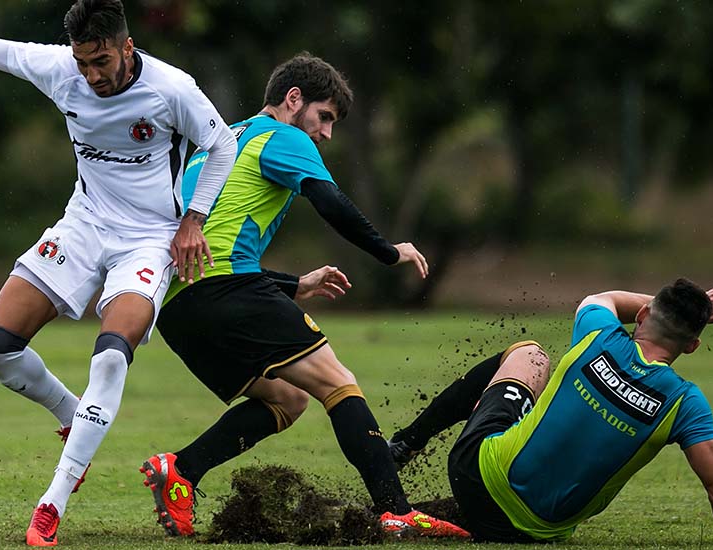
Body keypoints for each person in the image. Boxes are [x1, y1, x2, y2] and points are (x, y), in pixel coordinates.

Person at [0, 1, 237, 546]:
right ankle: (72, 414)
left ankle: (52, 502)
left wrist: (192, 222)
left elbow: (222, 144)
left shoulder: (171, 88)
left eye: (101, 61)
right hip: (83, 225)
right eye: (83, 63)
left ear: (127, 47)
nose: (92, 75)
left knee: (110, 356)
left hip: (148, 242)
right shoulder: (60, 69)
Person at [137, 53, 466, 539]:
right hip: (225, 290)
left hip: (176, 307)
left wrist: (295, 285)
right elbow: (330, 201)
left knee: (287, 399)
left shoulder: (219, 140)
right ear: (293, 99)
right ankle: (395, 510)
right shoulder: (282, 135)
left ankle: (181, 471)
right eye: (324, 116)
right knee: (338, 383)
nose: (326, 133)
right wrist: (387, 251)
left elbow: (218, 243)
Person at [388, 279, 713, 544]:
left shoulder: (597, 334)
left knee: (529, 354)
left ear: (642, 315)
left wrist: (673, 307)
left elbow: (602, 298)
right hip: (534, 532)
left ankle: (407, 442)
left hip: (474, 478)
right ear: (693, 346)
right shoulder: (685, 402)